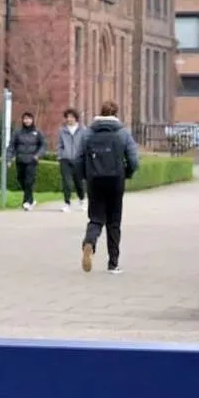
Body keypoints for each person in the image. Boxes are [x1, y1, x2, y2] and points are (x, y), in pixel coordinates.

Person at [78, 101, 139, 274]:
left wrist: (85, 175)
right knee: (114, 221)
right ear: (116, 114)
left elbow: (78, 158)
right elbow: (134, 160)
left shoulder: (88, 133)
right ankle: (113, 263)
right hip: (115, 180)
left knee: (96, 217)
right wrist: (127, 173)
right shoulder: (122, 134)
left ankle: (89, 242)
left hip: (95, 180)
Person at [7, 112, 46, 210]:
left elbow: (43, 145)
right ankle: (31, 199)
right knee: (21, 179)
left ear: (32, 120)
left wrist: (38, 155)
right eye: (25, 119)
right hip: (20, 160)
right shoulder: (17, 132)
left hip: (32, 160)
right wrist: (9, 158)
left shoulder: (37, 132)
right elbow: (12, 146)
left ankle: (27, 202)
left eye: (29, 119)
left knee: (29, 181)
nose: (27, 121)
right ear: (22, 120)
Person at [58, 108, 88, 212]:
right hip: (65, 159)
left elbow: (85, 144)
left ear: (76, 118)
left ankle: (82, 199)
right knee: (67, 182)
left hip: (78, 160)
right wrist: (61, 155)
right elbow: (60, 145)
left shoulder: (83, 130)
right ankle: (67, 203)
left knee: (79, 182)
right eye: (68, 117)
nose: (69, 119)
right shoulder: (62, 130)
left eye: (71, 117)